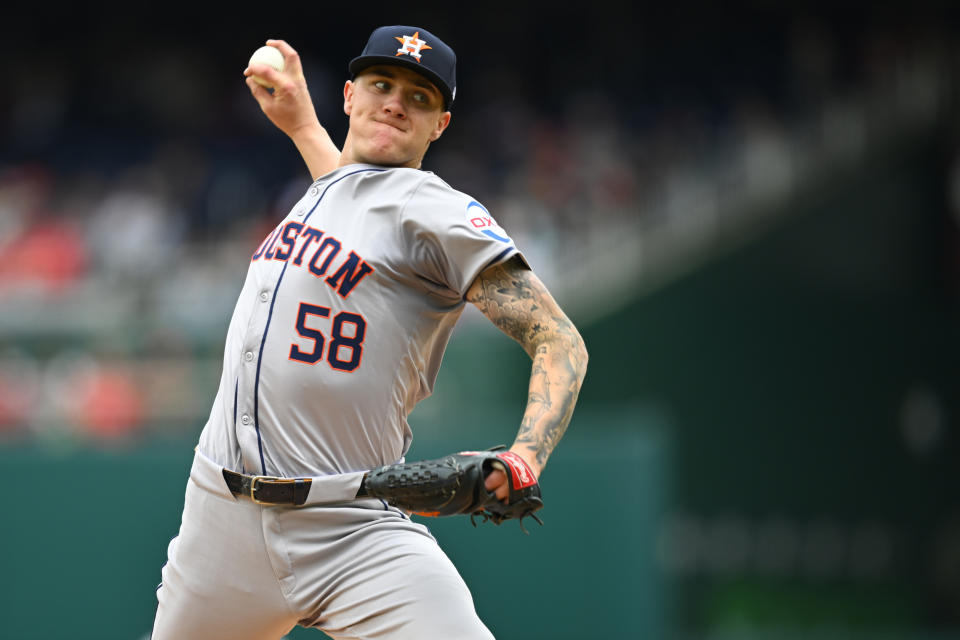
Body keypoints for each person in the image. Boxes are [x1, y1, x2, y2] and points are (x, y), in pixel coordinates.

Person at [151, 25, 587, 640]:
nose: (396, 103)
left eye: (419, 97)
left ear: (440, 125)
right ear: (350, 95)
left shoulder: (434, 209)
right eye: (382, 85)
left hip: (350, 527)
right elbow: (356, 200)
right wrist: (303, 126)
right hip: (219, 518)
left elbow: (559, 340)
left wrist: (525, 458)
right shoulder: (328, 189)